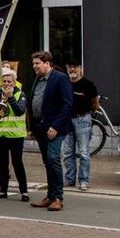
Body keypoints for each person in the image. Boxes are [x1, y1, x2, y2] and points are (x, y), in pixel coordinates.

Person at [27, 51, 74, 211]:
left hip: (55, 128)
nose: (34, 66)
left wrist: (55, 126)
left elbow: (67, 104)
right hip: (40, 127)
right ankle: (50, 195)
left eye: (37, 63)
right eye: (33, 64)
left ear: (47, 63)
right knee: (47, 161)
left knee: (53, 159)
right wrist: (32, 127)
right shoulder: (37, 79)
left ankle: (58, 197)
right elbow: (34, 101)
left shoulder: (60, 78)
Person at [0, 67, 29, 201]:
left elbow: (19, 111)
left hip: (15, 135)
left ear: (14, 83)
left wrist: (10, 98)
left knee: (17, 163)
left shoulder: (20, 95)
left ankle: (24, 191)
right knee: (3, 165)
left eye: (9, 82)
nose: (6, 84)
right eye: (4, 81)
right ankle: (2, 190)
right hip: (0, 135)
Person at [63, 62, 98, 191]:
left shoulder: (88, 85)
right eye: (70, 67)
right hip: (66, 120)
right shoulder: (65, 83)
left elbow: (95, 103)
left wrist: (90, 114)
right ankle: (69, 179)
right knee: (67, 152)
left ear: (80, 69)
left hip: (82, 119)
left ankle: (83, 180)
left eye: (75, 67)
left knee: (83, 152)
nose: (72, 69)